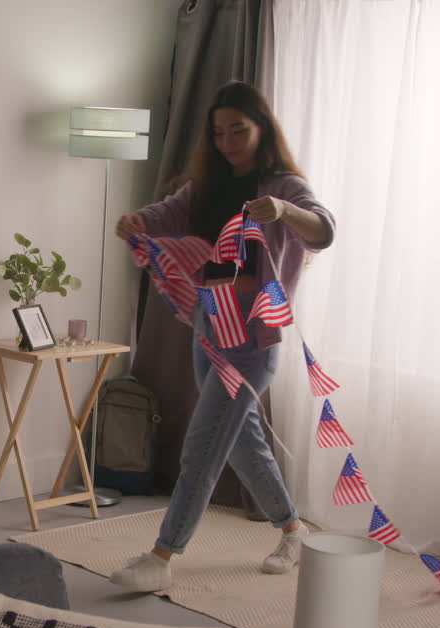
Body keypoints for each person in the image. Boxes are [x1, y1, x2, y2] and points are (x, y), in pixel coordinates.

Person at [110, 81, 336, 592]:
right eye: (219, 132)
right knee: (242, 444)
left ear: (262, 129)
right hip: (210, 323)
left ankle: (163, 555)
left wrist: (283, 211)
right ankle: (292, 529)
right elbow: (166, 214)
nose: (229, 141)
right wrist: (137, 221)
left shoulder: (283, 185)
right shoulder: (205, 186)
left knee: (204, 442)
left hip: (254, 338)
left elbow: (323, 229)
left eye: (239, 129)